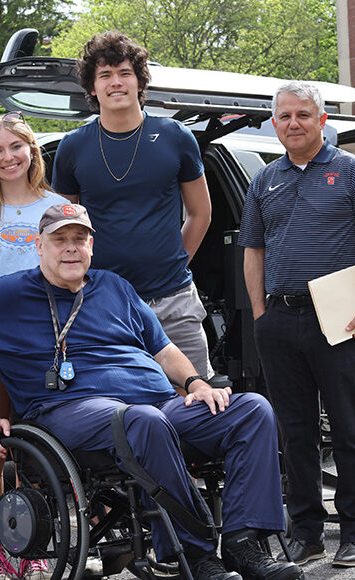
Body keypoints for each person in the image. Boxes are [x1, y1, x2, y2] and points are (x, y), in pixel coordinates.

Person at [0, 203, 303, 580]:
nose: (71, 248)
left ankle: (244, 546)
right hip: (67, 411)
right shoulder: (1, 297)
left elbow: (164, 349)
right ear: (38, 245)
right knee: (142, 422)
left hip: (157, 403)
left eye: (80, 239)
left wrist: (196, 383)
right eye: (59, 239)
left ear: (91, 246)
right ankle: (193, 558)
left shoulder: (115, 287)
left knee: (252, 410)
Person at [239, 81, 355, 569]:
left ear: (322, 120)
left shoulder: (354, 172)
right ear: (274, 123)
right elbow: (253, 249)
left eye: (303, 115)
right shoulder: (265, 180)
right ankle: (305, 532)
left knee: (348, 428)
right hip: (280, 320)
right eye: (283, 116)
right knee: (295, 432)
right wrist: (261, 315)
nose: (293, 124)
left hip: (340, 318)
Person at [52, 30, 214, 379]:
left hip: (175, 301)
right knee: (121, 411)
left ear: (140, 82)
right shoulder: (73, 147)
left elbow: (201, 213)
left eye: (125, 73)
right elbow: (63, 230)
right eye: (105, 75)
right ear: (92, 89)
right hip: (102, 303)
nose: (116, 82)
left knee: (198, 404)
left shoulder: (175, 137)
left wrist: (174, 263)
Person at [0, 112, 68, 580]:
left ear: (31, 151)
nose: (8, 157)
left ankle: (35, 546)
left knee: (38, 455)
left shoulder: (57, 205)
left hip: (45, 349)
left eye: (16, 147)